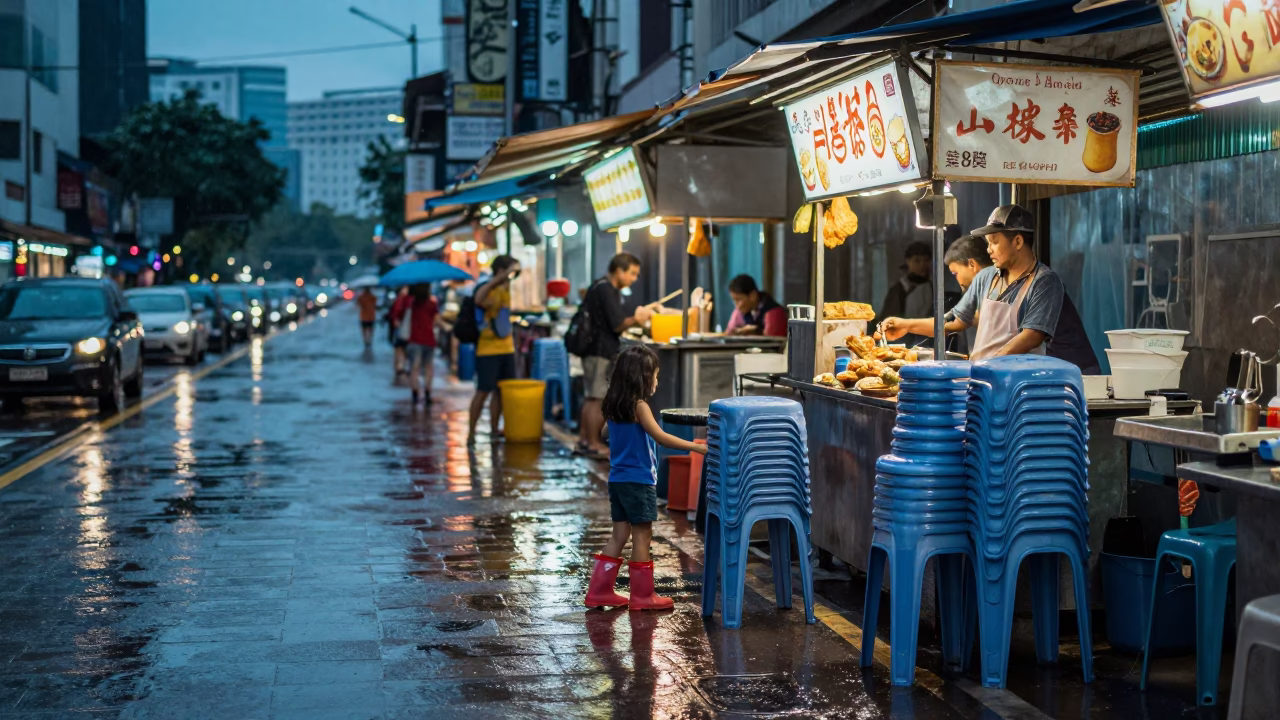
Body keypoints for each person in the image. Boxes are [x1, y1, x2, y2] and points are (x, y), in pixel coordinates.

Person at [881, 204, 1099, 372]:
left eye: (994, 241)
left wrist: (985, 367)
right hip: (991, 379)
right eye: (987, 242)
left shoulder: (1045, 282)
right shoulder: (986, 277)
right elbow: (955, 320)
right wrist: (907, 325)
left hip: (1039, 384)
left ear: (1018, 241)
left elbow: (1031, 336)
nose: (989, 249)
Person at [584, 345, 707, 611]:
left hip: (617, 480)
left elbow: (606, 432)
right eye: (655, 375)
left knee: (619, 534)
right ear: (641, 377)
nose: (656, 381)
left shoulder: (613, 404)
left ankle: (599, 591)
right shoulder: (639, 407)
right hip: (639, 481)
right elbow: (660, 436)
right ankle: (642, 596)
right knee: (642, 536)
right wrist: (696, 446)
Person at [577, 253, 652, 458]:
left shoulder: (598, 286)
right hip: (600, 350)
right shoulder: (605, 289)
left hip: (593, 350)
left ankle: (584, 440)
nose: (634, 279)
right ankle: (593, 443)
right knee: (597, 398)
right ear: (619, 271)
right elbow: (618, 323)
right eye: (632, 274)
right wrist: (638, 318)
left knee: (591, 396)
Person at [468, 254, 520, 444]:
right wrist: (498, 279)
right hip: (487, 348)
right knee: (483, 390)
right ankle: (472, 432)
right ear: (501, 271)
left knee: (501, 391)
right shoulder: (486, 286)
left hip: (506, 347)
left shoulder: (506, 288)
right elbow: (478, 300)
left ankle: (494, 429)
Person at [391, 283, 442, 406]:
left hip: (413, 340)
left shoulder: (409, 304)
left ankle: (415, 394)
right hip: (429, 339)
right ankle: (428, 393)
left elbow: (397, 318)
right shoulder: (431, 304)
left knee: (414, 367)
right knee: (428, 367)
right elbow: (437, 320)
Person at [880, 241, 933, 320]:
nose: (922, 265)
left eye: (926, 260)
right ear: (908, 261)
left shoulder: (933, 288)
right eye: (917, 261)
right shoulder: (899, 290)